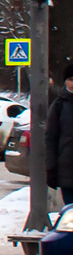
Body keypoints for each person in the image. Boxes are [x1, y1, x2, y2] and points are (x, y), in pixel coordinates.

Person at [44, 61, 73, 207]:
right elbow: (51, 139)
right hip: (67, 171)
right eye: (71, 79)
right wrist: (51, 169)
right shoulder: (59, 105)